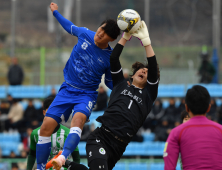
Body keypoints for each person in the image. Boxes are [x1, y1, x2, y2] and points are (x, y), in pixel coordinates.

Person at [58, 20, 159, 170]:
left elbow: (153, 67)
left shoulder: (149, 95)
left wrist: (146, 42)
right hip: (101, 137)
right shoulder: (120, 84)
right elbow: (113, 58)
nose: (144, 71)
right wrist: (125, 36)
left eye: (147, 72)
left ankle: (66, 164)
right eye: (142, 69)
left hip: (119, 146)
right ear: (134, 73)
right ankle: (65, 162)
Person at [36, 2, 121, 169]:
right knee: (45, 127)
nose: (100, 33)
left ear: (111, 39)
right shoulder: (85, 34)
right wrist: (55, 12)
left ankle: (62, 158)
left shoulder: (110, 58)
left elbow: (111, 81)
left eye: (105, 34)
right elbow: (69, 26)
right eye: (101, 29)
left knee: (79, 120)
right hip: (67, 89)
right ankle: (40, 167)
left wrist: (123, 87)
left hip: (86, 94)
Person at [164, 85, 222, 170]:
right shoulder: (220, 130)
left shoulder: (176, 132)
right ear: (209, 108)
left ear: (186, 108)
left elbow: (169, 167)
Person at [26, 97, 80, 170]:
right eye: (50, 111)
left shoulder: (68, 133)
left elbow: (76, 158)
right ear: (44, 113)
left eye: (56, 111)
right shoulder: (35, 134)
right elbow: (32, 155)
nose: (53, 114)